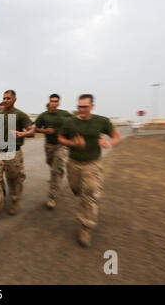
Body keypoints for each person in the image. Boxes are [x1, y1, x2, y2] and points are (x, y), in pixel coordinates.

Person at [58, 94, 121, 247]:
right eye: (79, 106)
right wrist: (73, 144)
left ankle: (86, 226)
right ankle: (84, 199)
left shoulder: (101, 121)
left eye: (85, 106)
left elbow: (116, 136)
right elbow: (60, 138)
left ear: (92, 107)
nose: (81, 109)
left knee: (89, 194)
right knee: (76, 189)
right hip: (73, 163)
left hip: (92, 164)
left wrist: (109, 143)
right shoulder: (70, 122)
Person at [0, 90, 34, 219]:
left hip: (14, 152)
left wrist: (23, 134)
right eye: (4, 98)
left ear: (14, 99)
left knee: (14, 178)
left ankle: (14, 200)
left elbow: (32, 131)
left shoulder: (20, 115)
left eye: (8, 98)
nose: (6, 100)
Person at [34, 93, 73, 209]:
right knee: (51, 164)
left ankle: (52, 197)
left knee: (55, 170)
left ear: (59, 103)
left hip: (62, 145)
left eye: (56, 101)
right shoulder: (43, 116)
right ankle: (58, 172)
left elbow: (75, 123)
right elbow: (35, 128)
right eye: (52, 101)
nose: (54, 103)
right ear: (49, 102)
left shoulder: (65, 114)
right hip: (49, 146)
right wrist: (45, 131)